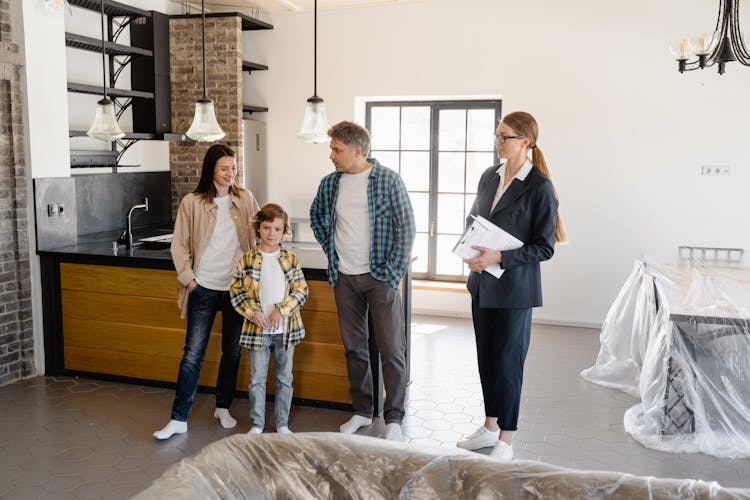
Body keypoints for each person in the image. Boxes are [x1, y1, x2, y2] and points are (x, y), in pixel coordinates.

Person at [457, 111, 566, 460]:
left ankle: (507, 436)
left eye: (505, 137)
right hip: (482, 284)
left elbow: (544, 247)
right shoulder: (489, 176)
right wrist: (469, 249)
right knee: (486, 357)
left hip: (515, 289)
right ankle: (489, 427)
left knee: (508, 361)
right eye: (497, 136)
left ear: (526, 141)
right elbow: (476, 219)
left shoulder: (540, 187)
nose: (498, 142)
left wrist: (499, 258)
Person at [310, 121, 415, 442]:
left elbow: (407, 228)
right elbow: (316, 217)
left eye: (337, 149)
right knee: (355, 349)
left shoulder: (387, 180)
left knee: (391, 348)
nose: (331, 155)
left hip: (380, 279)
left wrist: (392, 273)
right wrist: (333, 252)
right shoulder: (330, 184)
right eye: (331, 149)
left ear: (357, 150)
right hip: (344, 278)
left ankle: (394, 417)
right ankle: (362, 410)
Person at [154, 144, 260, 440]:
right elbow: (179, 244)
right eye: (224, 168)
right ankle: (179, 418)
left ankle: (222, 406)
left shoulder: (245, 198)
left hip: (236, 289)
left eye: (233, 168)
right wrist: (189, 279)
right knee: (192, 355)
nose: (230, 174)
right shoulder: (193, 202)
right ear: (211, 169)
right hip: (203, 286)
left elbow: (259, 234)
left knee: (232, 352)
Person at [230, 203, 308, 435]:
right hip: (257, 331)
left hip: (285, 330)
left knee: (284, 378)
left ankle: (282, 423)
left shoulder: (290, 259)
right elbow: (236, 291)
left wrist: (280, 310)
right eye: (266, 227)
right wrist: (254, 313)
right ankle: (257, 423)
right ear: (258, 228)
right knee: (257, 379)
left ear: (284, 231)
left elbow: (301, 290)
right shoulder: (248, 259)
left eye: (277, 229)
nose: (271, 233)